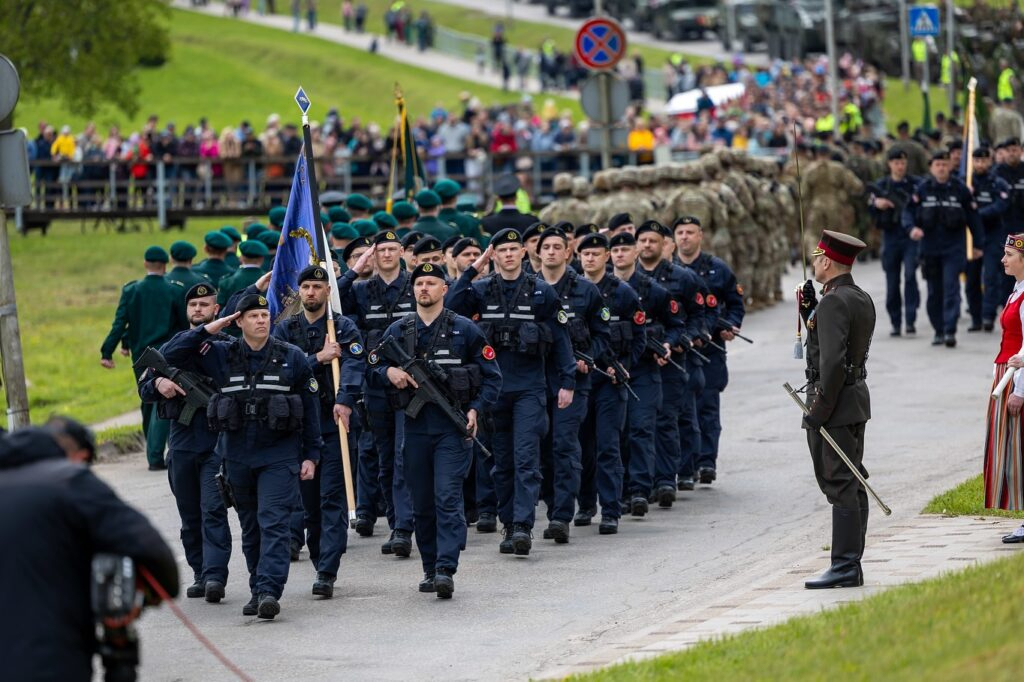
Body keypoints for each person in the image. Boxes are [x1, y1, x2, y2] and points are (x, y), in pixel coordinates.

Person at [161, 294, 322, 619]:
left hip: (278, 454)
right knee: (251, 527)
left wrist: (311, 454)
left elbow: (310, 407)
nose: (261, 320)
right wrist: (209, 328)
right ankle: (257, 587)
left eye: (264, 315)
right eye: (252, 316)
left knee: (273, 522)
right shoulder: (221, 354)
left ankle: (269, 589)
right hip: (237, 455)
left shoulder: (291, 357)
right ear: (238, 321)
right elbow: (169, 355)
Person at [0, 417, 179, 682]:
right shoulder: (70, 480)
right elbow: (152, 551)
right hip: (46, 661)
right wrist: (144, 599)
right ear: (81, 456)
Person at [372, 262, 502, 597]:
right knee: (422, 503)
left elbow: (492, 377)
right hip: (414, 428)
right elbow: (372, 365)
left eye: (431, 283)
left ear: (444, 289)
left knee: (446, 497)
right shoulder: (399, 330)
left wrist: (475, 409)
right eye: (419, 284)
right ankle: (430, 567)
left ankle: (446, 567)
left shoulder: (464, 329)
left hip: (451, 430)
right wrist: (389, 373)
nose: (424, 288)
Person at [445, 229, 576, 556]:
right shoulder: (481, 289)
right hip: (494, 390)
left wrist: (568, 381)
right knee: (501, 463)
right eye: (501, 250)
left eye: (513, 250)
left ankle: (522, 526)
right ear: (494, 255)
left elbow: (561, 339)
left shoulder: (541, 291)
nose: (508, 255)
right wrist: (473, 268)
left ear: (522, 253)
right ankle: (508, 523)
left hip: (529, 389)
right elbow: (451, 305)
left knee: (526, 459)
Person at [273, 265, 365, 598]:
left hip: (333, 422)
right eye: (306, 287)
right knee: (309, 504)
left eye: (317, 286)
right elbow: (282, 371)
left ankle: (327, 570)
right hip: (299, 427)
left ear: (328, 291)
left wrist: (345, 400)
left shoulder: (342, 327)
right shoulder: (285, 329)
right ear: (300, 292)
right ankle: (318, 558)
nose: (311, 292)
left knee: (332, 499)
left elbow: (354, 363)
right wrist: (318, 358)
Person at [138, 282, 233, 603]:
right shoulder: (173, 347)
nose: (198, 309)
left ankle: (215, 575)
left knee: (213, 510)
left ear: (216, 310)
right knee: (190, 514)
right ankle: (199, 572)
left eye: (205, 305)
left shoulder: (227, 346)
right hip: (181, 442)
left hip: (215, 443)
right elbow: (144, 385)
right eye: (193, 305)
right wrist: (159, 384)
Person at [797, 230, 876, 589]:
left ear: (827, 261)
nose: (814, 263)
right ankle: (850, 562)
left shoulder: (833, 302)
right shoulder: (858, 296)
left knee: (839, 481)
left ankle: (845, 564)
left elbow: (830, 364)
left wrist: (818, 411)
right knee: (852, 479)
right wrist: (809, 314)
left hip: (835, 404)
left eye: (816, 258)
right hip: (854, 399)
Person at [338, 232, 417, 554]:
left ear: (401, 252)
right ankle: (396, 522)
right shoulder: (360, 290)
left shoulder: (415, 285)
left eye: (391, 249)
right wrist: (354, 270)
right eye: (380, 250)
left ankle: (403, 528)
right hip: (375, 384)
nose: (386, 255)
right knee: (384, 460)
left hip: (411, 384)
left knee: (402, 456)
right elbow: (333, 302)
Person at [535, 227, 610, 544]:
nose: (552, 251)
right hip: (535, 381)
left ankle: (561, 516)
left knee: (564, 445)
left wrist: (588, 358)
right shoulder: (528, 288)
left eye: (558, 246)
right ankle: (553, 504)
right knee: (542, 451)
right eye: (546, 247)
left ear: (568, 252)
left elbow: (603, 334)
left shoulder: (586, 290)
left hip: (573, 381)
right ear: (538, 253)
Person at [575, 232, 646, 534]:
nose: (590, 258)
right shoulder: (573, 290)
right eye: (585, 254)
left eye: (596, 254)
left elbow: (639, 337)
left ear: (606, 257)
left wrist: (625, 366)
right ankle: (585, 504)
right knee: (581, 447)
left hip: (610, 381)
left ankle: (611, 509)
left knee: (608, 446)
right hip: (580, 379)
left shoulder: (623, 292)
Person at [609, 232, 684, 517]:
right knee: (617, 434)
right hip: (611, 369)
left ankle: (640, 489)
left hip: (643, 369)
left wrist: (667, 344)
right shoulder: (600, 289)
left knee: (641, 428)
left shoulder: (652, 290)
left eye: (625, 249)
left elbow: (675, 324)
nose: (620, 254)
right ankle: (621, 491)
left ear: (635, 253)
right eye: (615, 250)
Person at [674, 216, 745, 486]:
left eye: (690, 232)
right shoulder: (670, 270)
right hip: (681, 349)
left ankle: (706, 462)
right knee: (681, 409)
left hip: (710, 347)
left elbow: (735, 303)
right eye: (680, 232)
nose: (685, 237)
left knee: (707, 406)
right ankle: (686, 464)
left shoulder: (717, 269)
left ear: (700, 235)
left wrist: (732, 326)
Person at [100, 245, 184, 471]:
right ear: (165, 265)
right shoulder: (174, 290)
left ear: (145, 264)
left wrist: (107, 351)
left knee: (147, 398)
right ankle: (159, 453)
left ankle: (152, 449)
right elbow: (181, 325)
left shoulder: (131, 290)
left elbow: (120, 323)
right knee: (164, 399)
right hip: (166, 353)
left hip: (141, 355)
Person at [903, 150, 983, 347]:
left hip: (953, 249)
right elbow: (908, 212)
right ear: (931, 167)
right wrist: (911, 228)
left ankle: (949, 330)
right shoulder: (922, 189)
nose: (941, 168)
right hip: (929, 250)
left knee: (951, 288)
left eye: (944, 164)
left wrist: (978, 245)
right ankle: (938, 330)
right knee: (934, 292)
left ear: (950, 166)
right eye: (937, 164)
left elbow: (974, 218)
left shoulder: (960, 189)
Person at [985, 234, 1024, 539]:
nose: (1003, 259)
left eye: (1009, 254)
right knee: (1011, 451)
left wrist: (1020, 391)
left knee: (1018, 450)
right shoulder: (1017, 291)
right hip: (1006, 375)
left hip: (1015, 379)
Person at [868, 148, 920, 337]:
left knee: (910, 276)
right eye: (896, 163)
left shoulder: (915, 184)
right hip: (890, 237)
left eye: (903, 163)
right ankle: (896, 322)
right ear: (890, 164)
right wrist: (877, 204)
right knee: (892, 281)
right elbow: (870, 205)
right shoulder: (882, 185)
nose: (900, 166)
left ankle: (911, 319)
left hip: (910, 237)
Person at [966, 147, 1012, 332]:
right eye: (977, 160)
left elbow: (1001, 205)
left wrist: (977, 214)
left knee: (991, 276)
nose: (980, 164)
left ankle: (988, 315)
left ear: (990, 161)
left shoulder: (998, 183)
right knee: (971, 279)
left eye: (984, 161)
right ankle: (975, 318)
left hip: (992, 234)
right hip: (972, 236)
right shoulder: (966, 183)